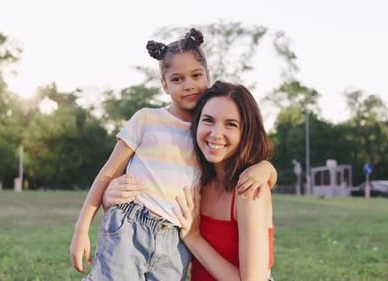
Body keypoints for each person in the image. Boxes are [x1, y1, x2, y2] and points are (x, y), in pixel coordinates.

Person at [70, 28, 276, 281]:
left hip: (173, 238)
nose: (189, 85)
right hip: (133, 224)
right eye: (177, 79)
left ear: (207, 76)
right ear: (164, 85)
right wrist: (85, 224)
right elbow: (108, 173)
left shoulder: (208, 141)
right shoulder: (149, 119)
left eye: (196, 75)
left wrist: (266, 167)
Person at [174, 81, 275, 281]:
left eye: (231, 124)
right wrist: (111, 191)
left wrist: (194, 239)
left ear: (246, 132)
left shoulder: (249, 189)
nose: (216, 134)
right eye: (208, 120)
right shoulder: (192, 179)